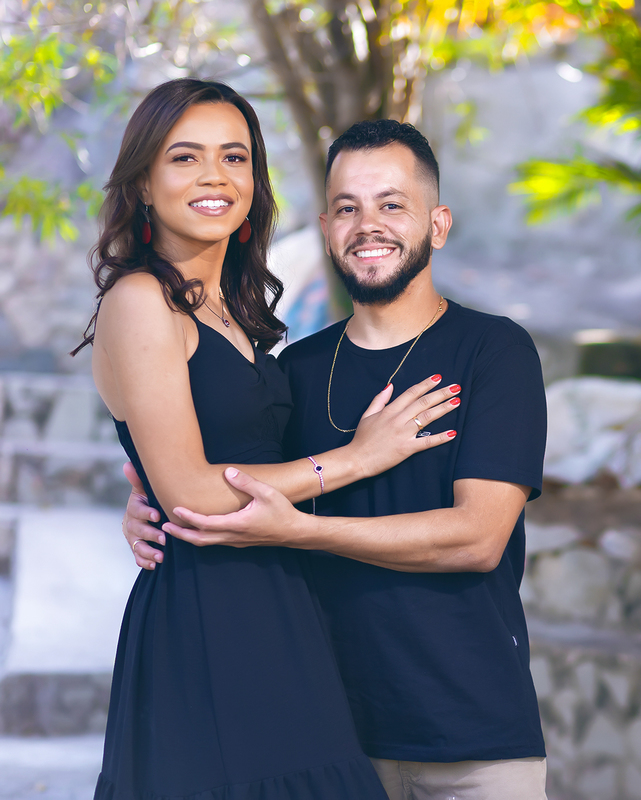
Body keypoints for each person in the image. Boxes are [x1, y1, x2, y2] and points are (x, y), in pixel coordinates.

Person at [123, 119, 550, 800]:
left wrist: (303, 530)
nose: (367, 224)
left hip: (470, 738)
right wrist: (151, 499)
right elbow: (232, 478)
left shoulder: (493, 351)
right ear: (326, 230)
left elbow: (476, 538)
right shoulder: (293, 370)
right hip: (327, 736)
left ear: (438, 224)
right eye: (347, 208)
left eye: (392, 204)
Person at [81, 79, 461, 799]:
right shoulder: (139, 299)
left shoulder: (236, 312)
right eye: (185, 158)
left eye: (234, 157)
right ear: (143, 184)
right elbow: (192, 491)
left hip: (281, 602)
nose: (215, 177)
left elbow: (215, 464)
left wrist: (155, 494)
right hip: (206, 615)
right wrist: (356, 459)